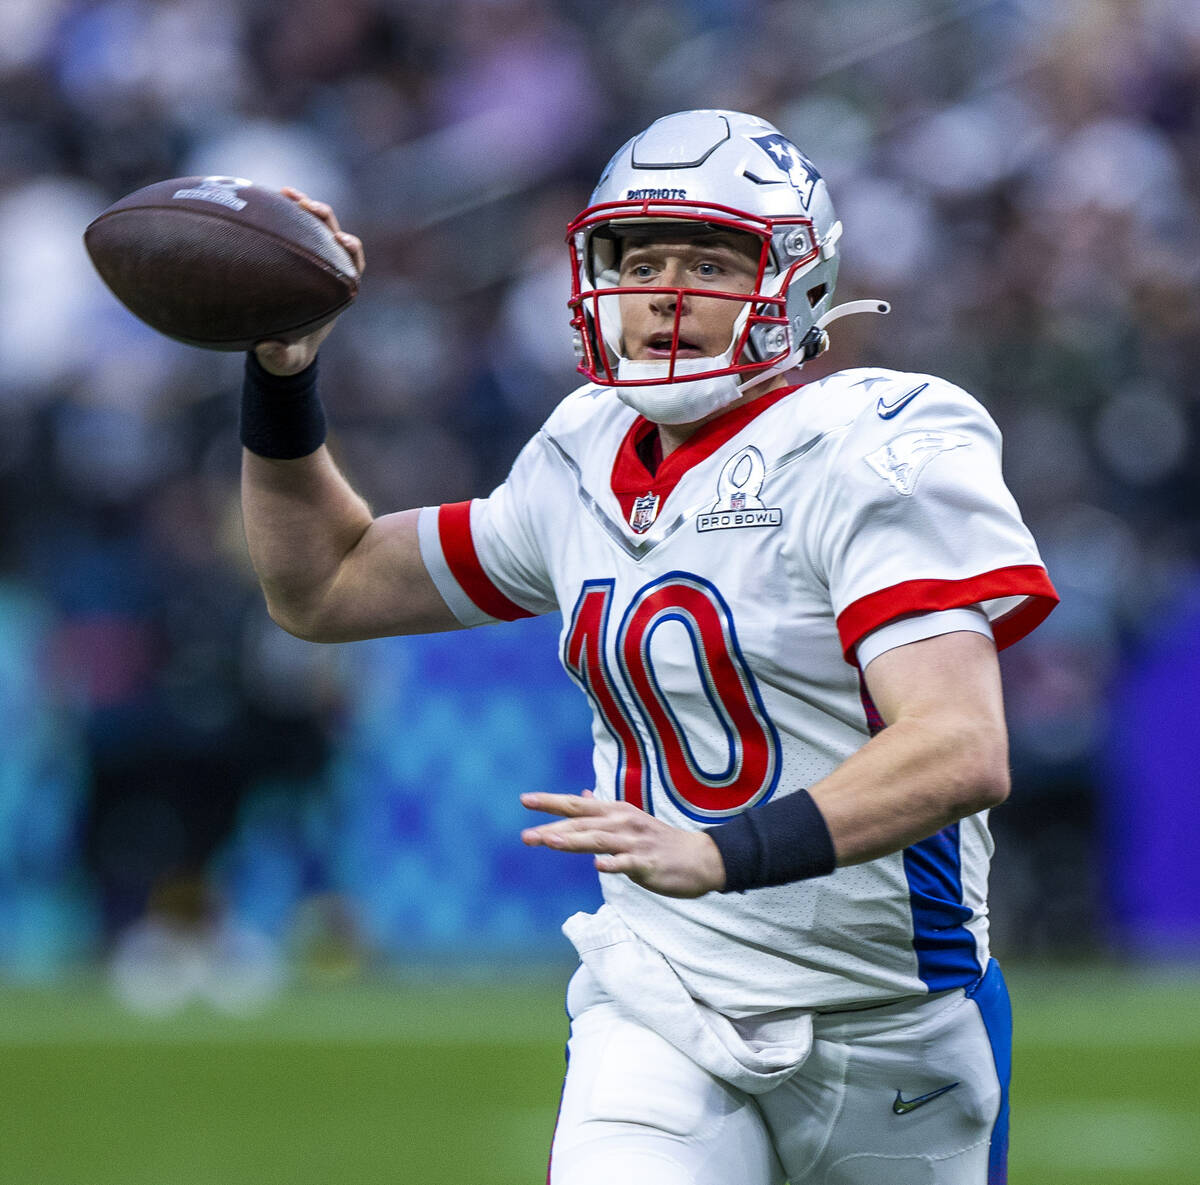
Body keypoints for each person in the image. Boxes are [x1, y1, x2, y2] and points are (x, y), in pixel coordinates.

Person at [240, 109, 1057, 1184]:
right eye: (642, 257)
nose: (667, 286)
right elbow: (326, 584)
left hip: (894, 1018)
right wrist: (282, 374)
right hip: (663, 993)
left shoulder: (877, 443)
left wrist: (724, 850)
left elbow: (960, 747)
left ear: (797, 285)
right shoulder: (582, 450)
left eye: (710, 260)